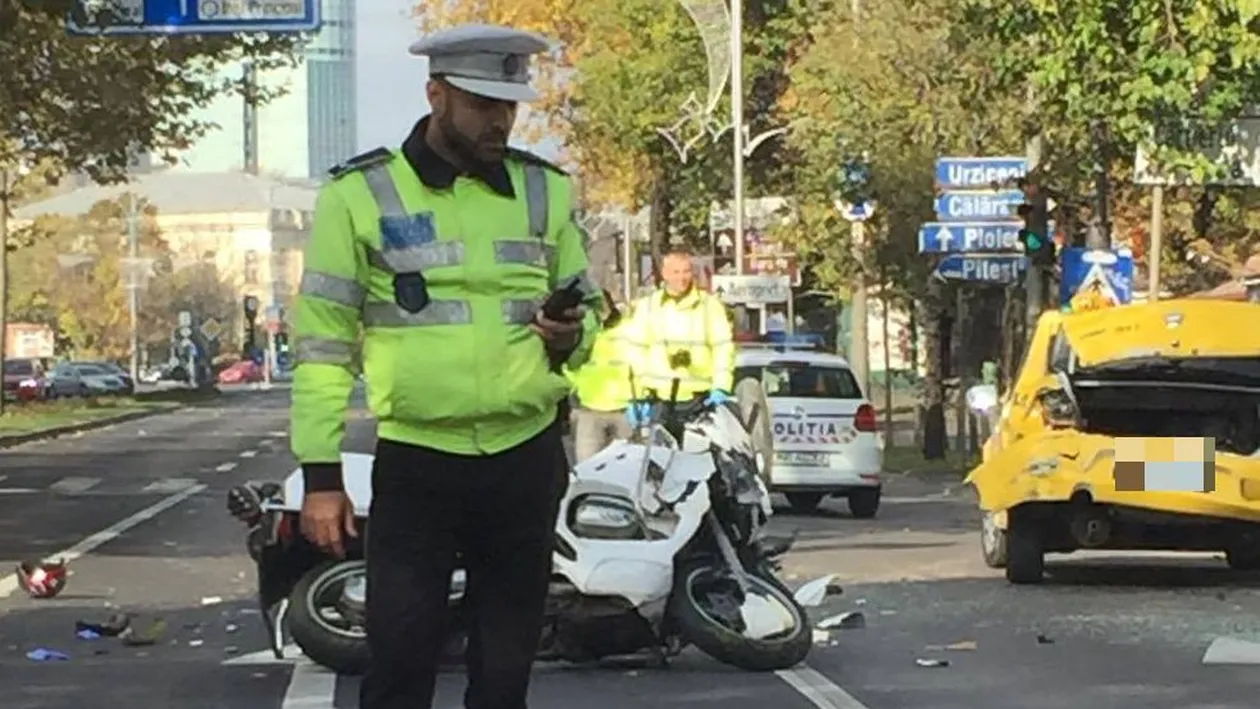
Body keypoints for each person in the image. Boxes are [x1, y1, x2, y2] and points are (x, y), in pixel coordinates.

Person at [289, 23, 603, 709]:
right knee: (400, 663)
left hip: (522, 458)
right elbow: (323, 346)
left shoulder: (546, 192)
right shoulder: (358, 196)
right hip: (418, 462)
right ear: (436, 94)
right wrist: (322, 475)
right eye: (482, 103)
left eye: (509, 104)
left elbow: (593, 320)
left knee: (504, 675)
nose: (501, 120)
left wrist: (567, 334)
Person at [621, 249, 735, 422]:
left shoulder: (709, 305)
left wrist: (721, 386)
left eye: (686, 271)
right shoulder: (648, 306)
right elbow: (635, 352)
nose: (681, 278)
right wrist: (636, 395)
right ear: (664, 274)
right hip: (658, 399)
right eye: (676, 272)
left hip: (701, 398)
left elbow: (723, 348)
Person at [565, 288, 633, 461]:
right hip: (589, 410)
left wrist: (641, 396)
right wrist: (575, 388)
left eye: (602, 304)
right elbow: (569, 365)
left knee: (626, 472)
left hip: (624, 410)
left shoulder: (628, 330)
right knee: (587, 471)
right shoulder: (584, 332)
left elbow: (642, 363)